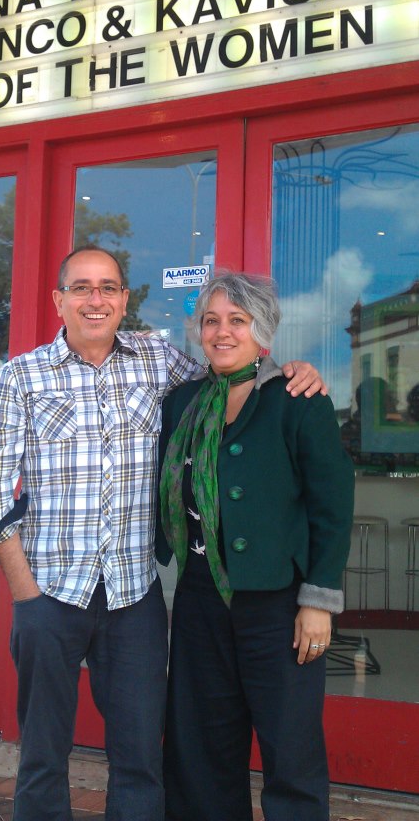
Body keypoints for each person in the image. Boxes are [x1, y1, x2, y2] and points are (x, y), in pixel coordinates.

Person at [0, 246, 326, 821]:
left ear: (124, 300)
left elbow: (229, 376)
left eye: (108, 287)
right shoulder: (21, 378)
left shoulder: (156, 359)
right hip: (51, 595)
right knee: (43, 753)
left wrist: (288, 369)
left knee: (140, 756)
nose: (96, 299)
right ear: (58, 299)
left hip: (134, 598)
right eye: (81, 287)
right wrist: (26, 598)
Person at [158, 270, 354, 821]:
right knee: (199, 747)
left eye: (237, 321)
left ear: (261, 328)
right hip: (200, 599)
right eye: (212, 321)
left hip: (279, 603)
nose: (223, 332)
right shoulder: (183, 402)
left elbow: (332, 508)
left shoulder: (297, 397)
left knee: (290, 750)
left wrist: (318, 600)